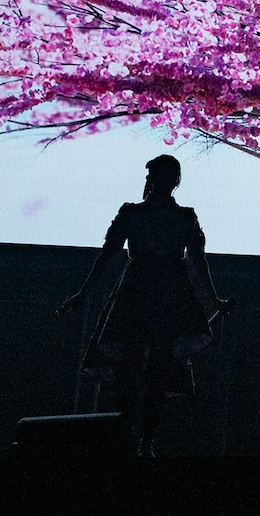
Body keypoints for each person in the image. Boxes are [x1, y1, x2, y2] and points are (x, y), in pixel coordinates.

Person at [58, 154, 231, 456]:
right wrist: (83, 293)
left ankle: (141, 437)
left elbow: (197, 261)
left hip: (153, 293)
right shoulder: (163, 216)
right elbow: (109, 254)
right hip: (152, 294)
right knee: (143, 366)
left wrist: (213, 299)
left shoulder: (165, 216)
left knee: (150, 368)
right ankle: (134, 437)